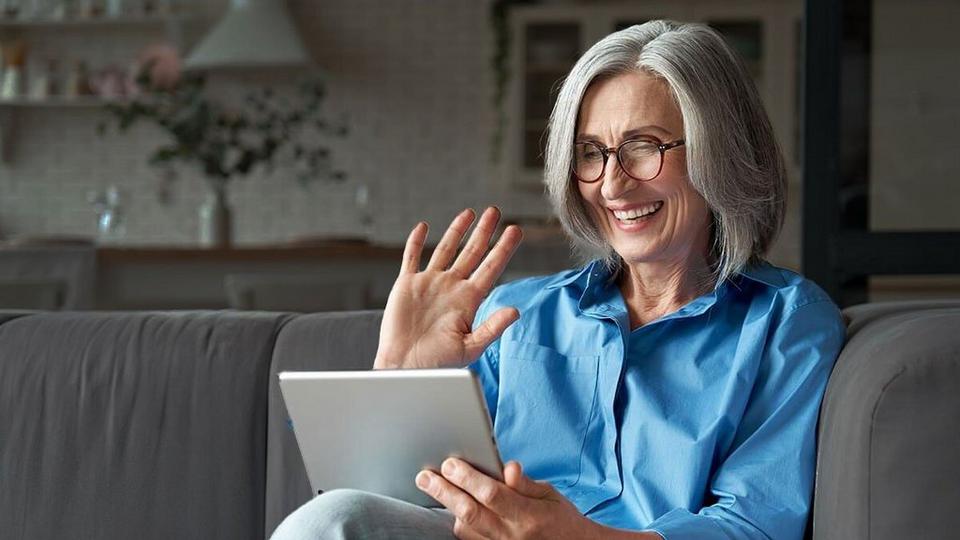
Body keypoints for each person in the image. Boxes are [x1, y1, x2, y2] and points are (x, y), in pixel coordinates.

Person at [272, 19, 845, 540]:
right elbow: (404, 504)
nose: (613, 186)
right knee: (335, 519)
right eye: (591, 153)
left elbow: (756, 526)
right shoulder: (517, 316)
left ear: (720, 150)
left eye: (643, 148)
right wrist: (399, 373)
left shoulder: (784, 321)